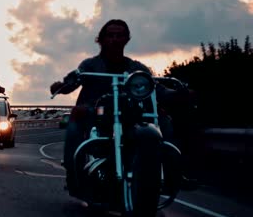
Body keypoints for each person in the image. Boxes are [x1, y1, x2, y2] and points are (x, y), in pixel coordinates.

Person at [49, 19, 194, 196]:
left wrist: (180, 93)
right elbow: (71, 83)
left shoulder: (137, 68)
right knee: (76, 116)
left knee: (163, 118)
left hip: (131, 115)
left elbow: (158, 89)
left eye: (120, 35)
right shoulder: (90, 65)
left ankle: (174, 174)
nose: (115, 39)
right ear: (101, 39)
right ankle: (73, 172)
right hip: (97, 113)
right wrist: (60, 86)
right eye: (110, 35)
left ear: (127, 39)